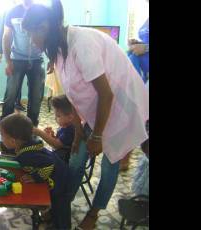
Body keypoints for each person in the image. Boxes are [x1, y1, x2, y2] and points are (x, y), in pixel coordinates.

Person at [21, 1, 149, 229]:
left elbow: (106, 95)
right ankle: (62, 203)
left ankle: (94, 213)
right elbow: (73, 92)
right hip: (97, 108)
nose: (31, 41)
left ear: (44, 27)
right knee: (77, 156)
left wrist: (97, 137)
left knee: (110, 162)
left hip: (120, 106)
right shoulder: (58, 48)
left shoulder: (82, 44)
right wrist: (79, 129)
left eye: (32, 34)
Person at [0, 114, 72, 229]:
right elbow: (5, 146)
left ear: (13, 141)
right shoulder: (24, 143)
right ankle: (51, 219)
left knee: (60, 211)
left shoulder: (27, 155)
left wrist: (35, 177)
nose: (1, 138)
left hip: (60, 183)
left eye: (2, 135)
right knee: (55, 209)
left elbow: (49, 164)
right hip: (57, 177)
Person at [0, 0, 45, 133]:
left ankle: (32, 128)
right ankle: (5, 126)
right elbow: (6, 36)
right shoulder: (12, 11)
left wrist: (52, 58)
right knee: (11, 94)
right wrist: (8, 61)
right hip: (16, 59)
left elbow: (48, 34)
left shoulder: (42, 11)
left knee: (36, 96)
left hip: (37, 59)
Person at [0, 0, 26, 112]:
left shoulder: (27, 10)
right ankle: (8, 111)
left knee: (19, 81)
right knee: (12, 85)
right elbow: (1, 33)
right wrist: (0, 51)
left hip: (23, 54)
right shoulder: (6, 12)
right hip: (12, 53)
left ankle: (17, 102)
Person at [33, 95, 75, 163]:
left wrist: (40, 133)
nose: (55, 118)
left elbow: (57, 145)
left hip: (62, 162)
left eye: (58, 116)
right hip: (57, 155)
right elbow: (59, 142)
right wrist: (52, 136)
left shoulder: (70, 130)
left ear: (70, 117)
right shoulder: (64, 126)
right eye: (55, 115)